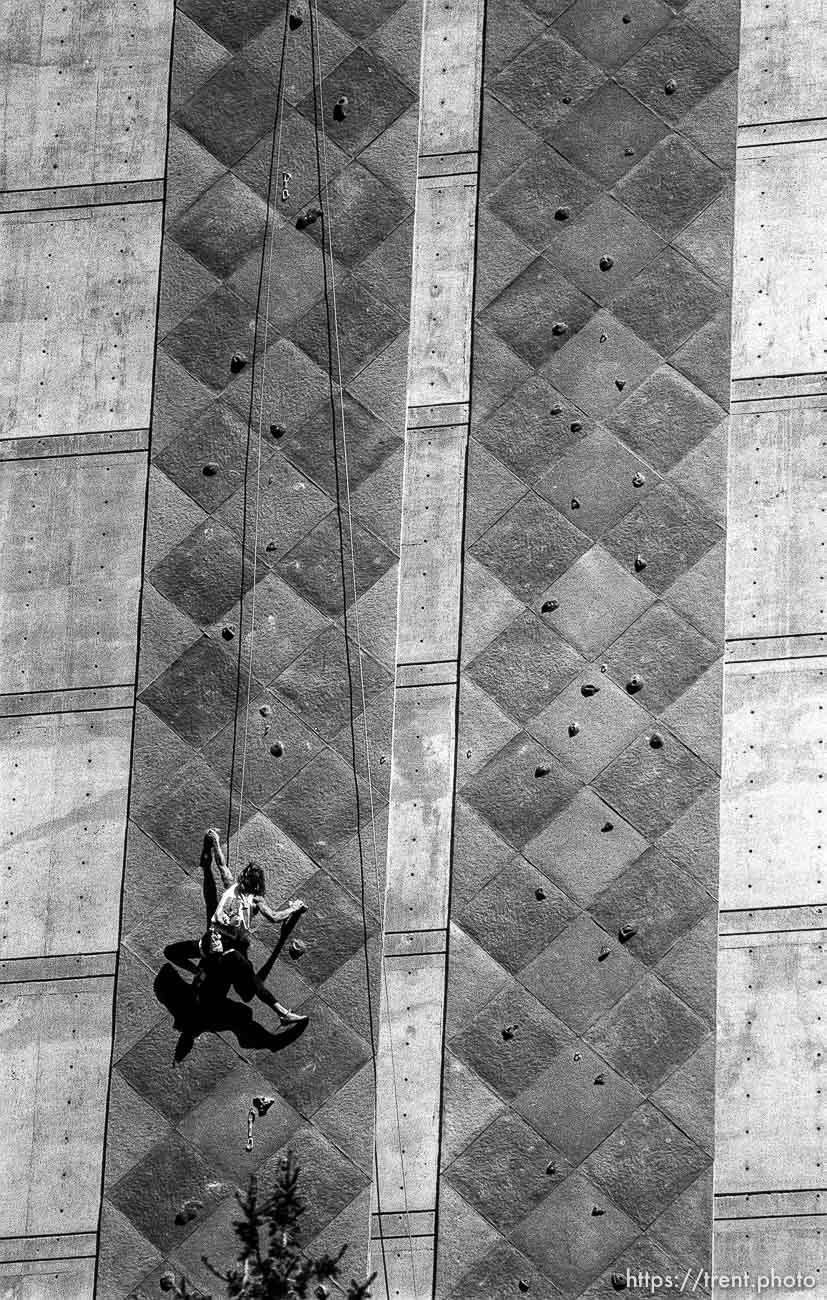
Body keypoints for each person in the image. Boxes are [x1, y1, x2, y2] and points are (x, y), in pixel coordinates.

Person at [194, 827, 309, 1028]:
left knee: (234, 975)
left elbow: (220, 864)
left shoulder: (239, 889)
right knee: (248, 980)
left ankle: (203, 975)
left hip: (214, 943)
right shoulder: (248, 895)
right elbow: (274, 917)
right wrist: (294, 908)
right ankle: (282, 1013)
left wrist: (215, 841)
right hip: (224, 949)